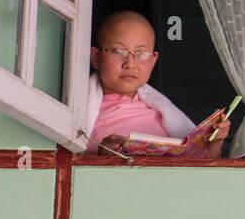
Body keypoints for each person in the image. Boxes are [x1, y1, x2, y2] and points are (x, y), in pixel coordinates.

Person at [86, 10, 230, 157]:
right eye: (118, 51)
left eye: (141, 53)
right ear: (96, 57)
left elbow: (197, 164)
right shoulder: (80, 113)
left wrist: (214, 142)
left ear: (153, 61)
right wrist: (100, 158)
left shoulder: (162, 116)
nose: (130, 64)